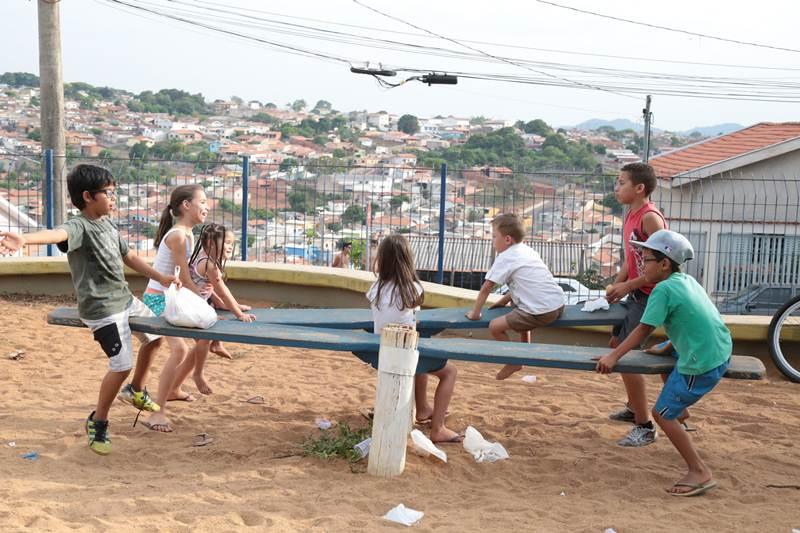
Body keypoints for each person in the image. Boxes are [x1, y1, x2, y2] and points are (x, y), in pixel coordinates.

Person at [0, 164, 179, 455]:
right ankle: (99, 420)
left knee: (156, 339)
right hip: (102, 309)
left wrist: (160, 277)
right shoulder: (79, 226)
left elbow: (129, 255)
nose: (113, 199)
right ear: (87, 196)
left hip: (124, 300)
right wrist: (26, 239)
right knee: (120, 365)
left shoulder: (107, 223)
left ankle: (135, 390)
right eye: (108, 193)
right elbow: (57, 233)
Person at [596, 230, 730, 497]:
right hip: (718, 348)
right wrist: (670, 345)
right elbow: (692, 320)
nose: (642, 266)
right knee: (665, 366)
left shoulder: (662, 289)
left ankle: (699, 471)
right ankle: (681, 411)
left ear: (665, 263)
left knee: (661, 415)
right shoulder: (686, 280)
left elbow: (642, 330)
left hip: (702, 363)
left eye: (646, 260)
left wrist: (613, 356)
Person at [368, 234, 462, 443]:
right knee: (449, 372)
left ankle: (423, 408)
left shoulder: (375, 289)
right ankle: (438, 428)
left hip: (381, 351)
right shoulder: (413, 289)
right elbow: (410, 317)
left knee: (422, 358)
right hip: (401, 352)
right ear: (408, 259)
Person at [604, 162, 668, 447]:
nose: (616, 188)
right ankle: (635, 407)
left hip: (653, 294)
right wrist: (617, 284)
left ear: (639, 188)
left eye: (621, 183)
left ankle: (644, 425)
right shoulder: (630, 214)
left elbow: (660, 268)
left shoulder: (650, 219)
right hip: (636, 291)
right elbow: (633, 259)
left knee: (626, 357)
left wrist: (626, 286)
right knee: (615, 342)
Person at [137, 184, 209, 432]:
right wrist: (205, 303)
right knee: (179, 350)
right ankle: (157, 412)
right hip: (158, 299)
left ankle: (175, 389)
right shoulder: (178, 236)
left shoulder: (187, 234)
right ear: (186, 206)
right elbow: (187, 280)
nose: (206, 207)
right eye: (202, 202)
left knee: (201, 340)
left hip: (171, 298)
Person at [465, 213, 565, 380]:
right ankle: (524, 352)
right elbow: (526, 285)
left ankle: (514, 360)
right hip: (558, 305)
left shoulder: (505, 257)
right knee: (518, 308)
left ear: (507, 239)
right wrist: (504, 300)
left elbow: (486, 288)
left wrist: (475, 313)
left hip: (539, 312)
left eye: (494, 236)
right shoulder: (527, 250)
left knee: (494, 327)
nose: (492, 240)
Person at [172, 224, 255, 395]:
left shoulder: (204, 258)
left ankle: (216, 344)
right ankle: (198, 374)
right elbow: (223, 292)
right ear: (210, 243)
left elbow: (209, 289)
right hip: (189, 308)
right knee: (205, 338)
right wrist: (238, 314)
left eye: (232, 242)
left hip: (197, 302)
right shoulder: (209, 264)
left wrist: (233, 306)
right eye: (227, 242)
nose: (231, 246)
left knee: (213, 324)